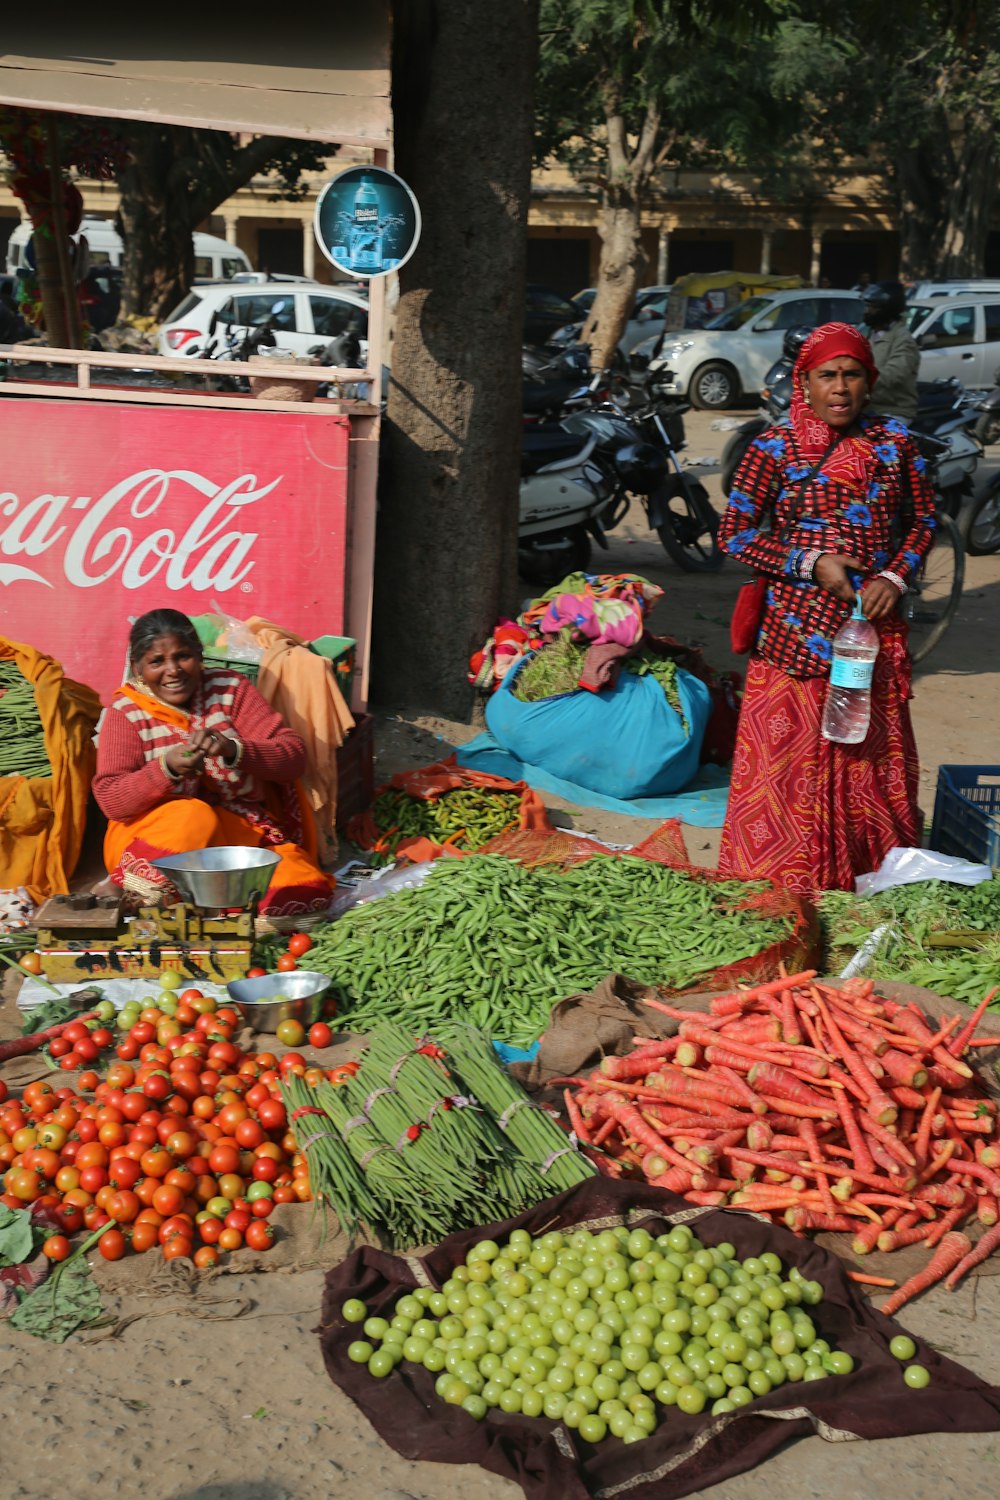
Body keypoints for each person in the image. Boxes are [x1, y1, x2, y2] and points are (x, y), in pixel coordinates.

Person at [717, 322, 937, 893]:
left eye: (852, 375)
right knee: (789, 765)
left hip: (871, 629)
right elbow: (734, 533)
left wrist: (894, 573)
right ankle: (781, 885)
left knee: (867, 757)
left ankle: (866, 877)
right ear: (805, 383)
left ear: (871, 381)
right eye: (827, 376)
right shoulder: (773, 447)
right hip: (794, 635)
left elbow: (921, 521)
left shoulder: (896, 445)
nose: (840, 388)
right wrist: (809, 563)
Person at [93, 608, 334, 915]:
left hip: (233, 840)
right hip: (156, 841)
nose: (173, 670)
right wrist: (165, 769)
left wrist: (234, 750)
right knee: (194, 815)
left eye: (183, 656)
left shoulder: (230, 690)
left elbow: (292, 757)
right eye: (156, 661)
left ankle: (206, 905)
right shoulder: (126, 711)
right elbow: (112, 799)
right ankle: (133, 887)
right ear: (137, 667)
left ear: (199, 655)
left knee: (302, 890)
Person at [862, 280, 920, 425]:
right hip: (865, 407)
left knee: (876, 446)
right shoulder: (867, 334)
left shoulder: (903, 339)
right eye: (867, 306)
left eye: (872, 307)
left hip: (892, 410)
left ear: (886, 309)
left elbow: (894, 374)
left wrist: (859, 381)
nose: (867, 311)